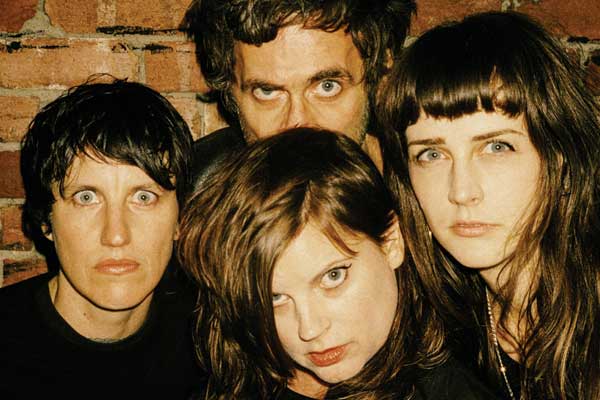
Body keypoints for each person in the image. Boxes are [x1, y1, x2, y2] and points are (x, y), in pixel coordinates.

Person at [177, 128, 500, 399]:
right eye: (275, 298)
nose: (309, 329)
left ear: (391, 242)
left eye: (332, 277)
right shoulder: (228, 380)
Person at [379, 11, 600, 400]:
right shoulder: (436, 330)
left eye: (497, 147)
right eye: (431, 154)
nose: (461, 191)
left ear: (561, 161)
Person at [0, 78, 204, 398]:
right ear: (46, 221)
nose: (116, 235)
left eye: (144, 197)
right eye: (86, 198)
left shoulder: (214, 345)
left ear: (180, 218)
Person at [180, 0, 416, 183]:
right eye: (267, 91)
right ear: (230, 91)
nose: (298, 124)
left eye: (327, 87)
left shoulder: (426, 189)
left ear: (380, 70)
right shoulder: (186, 197)